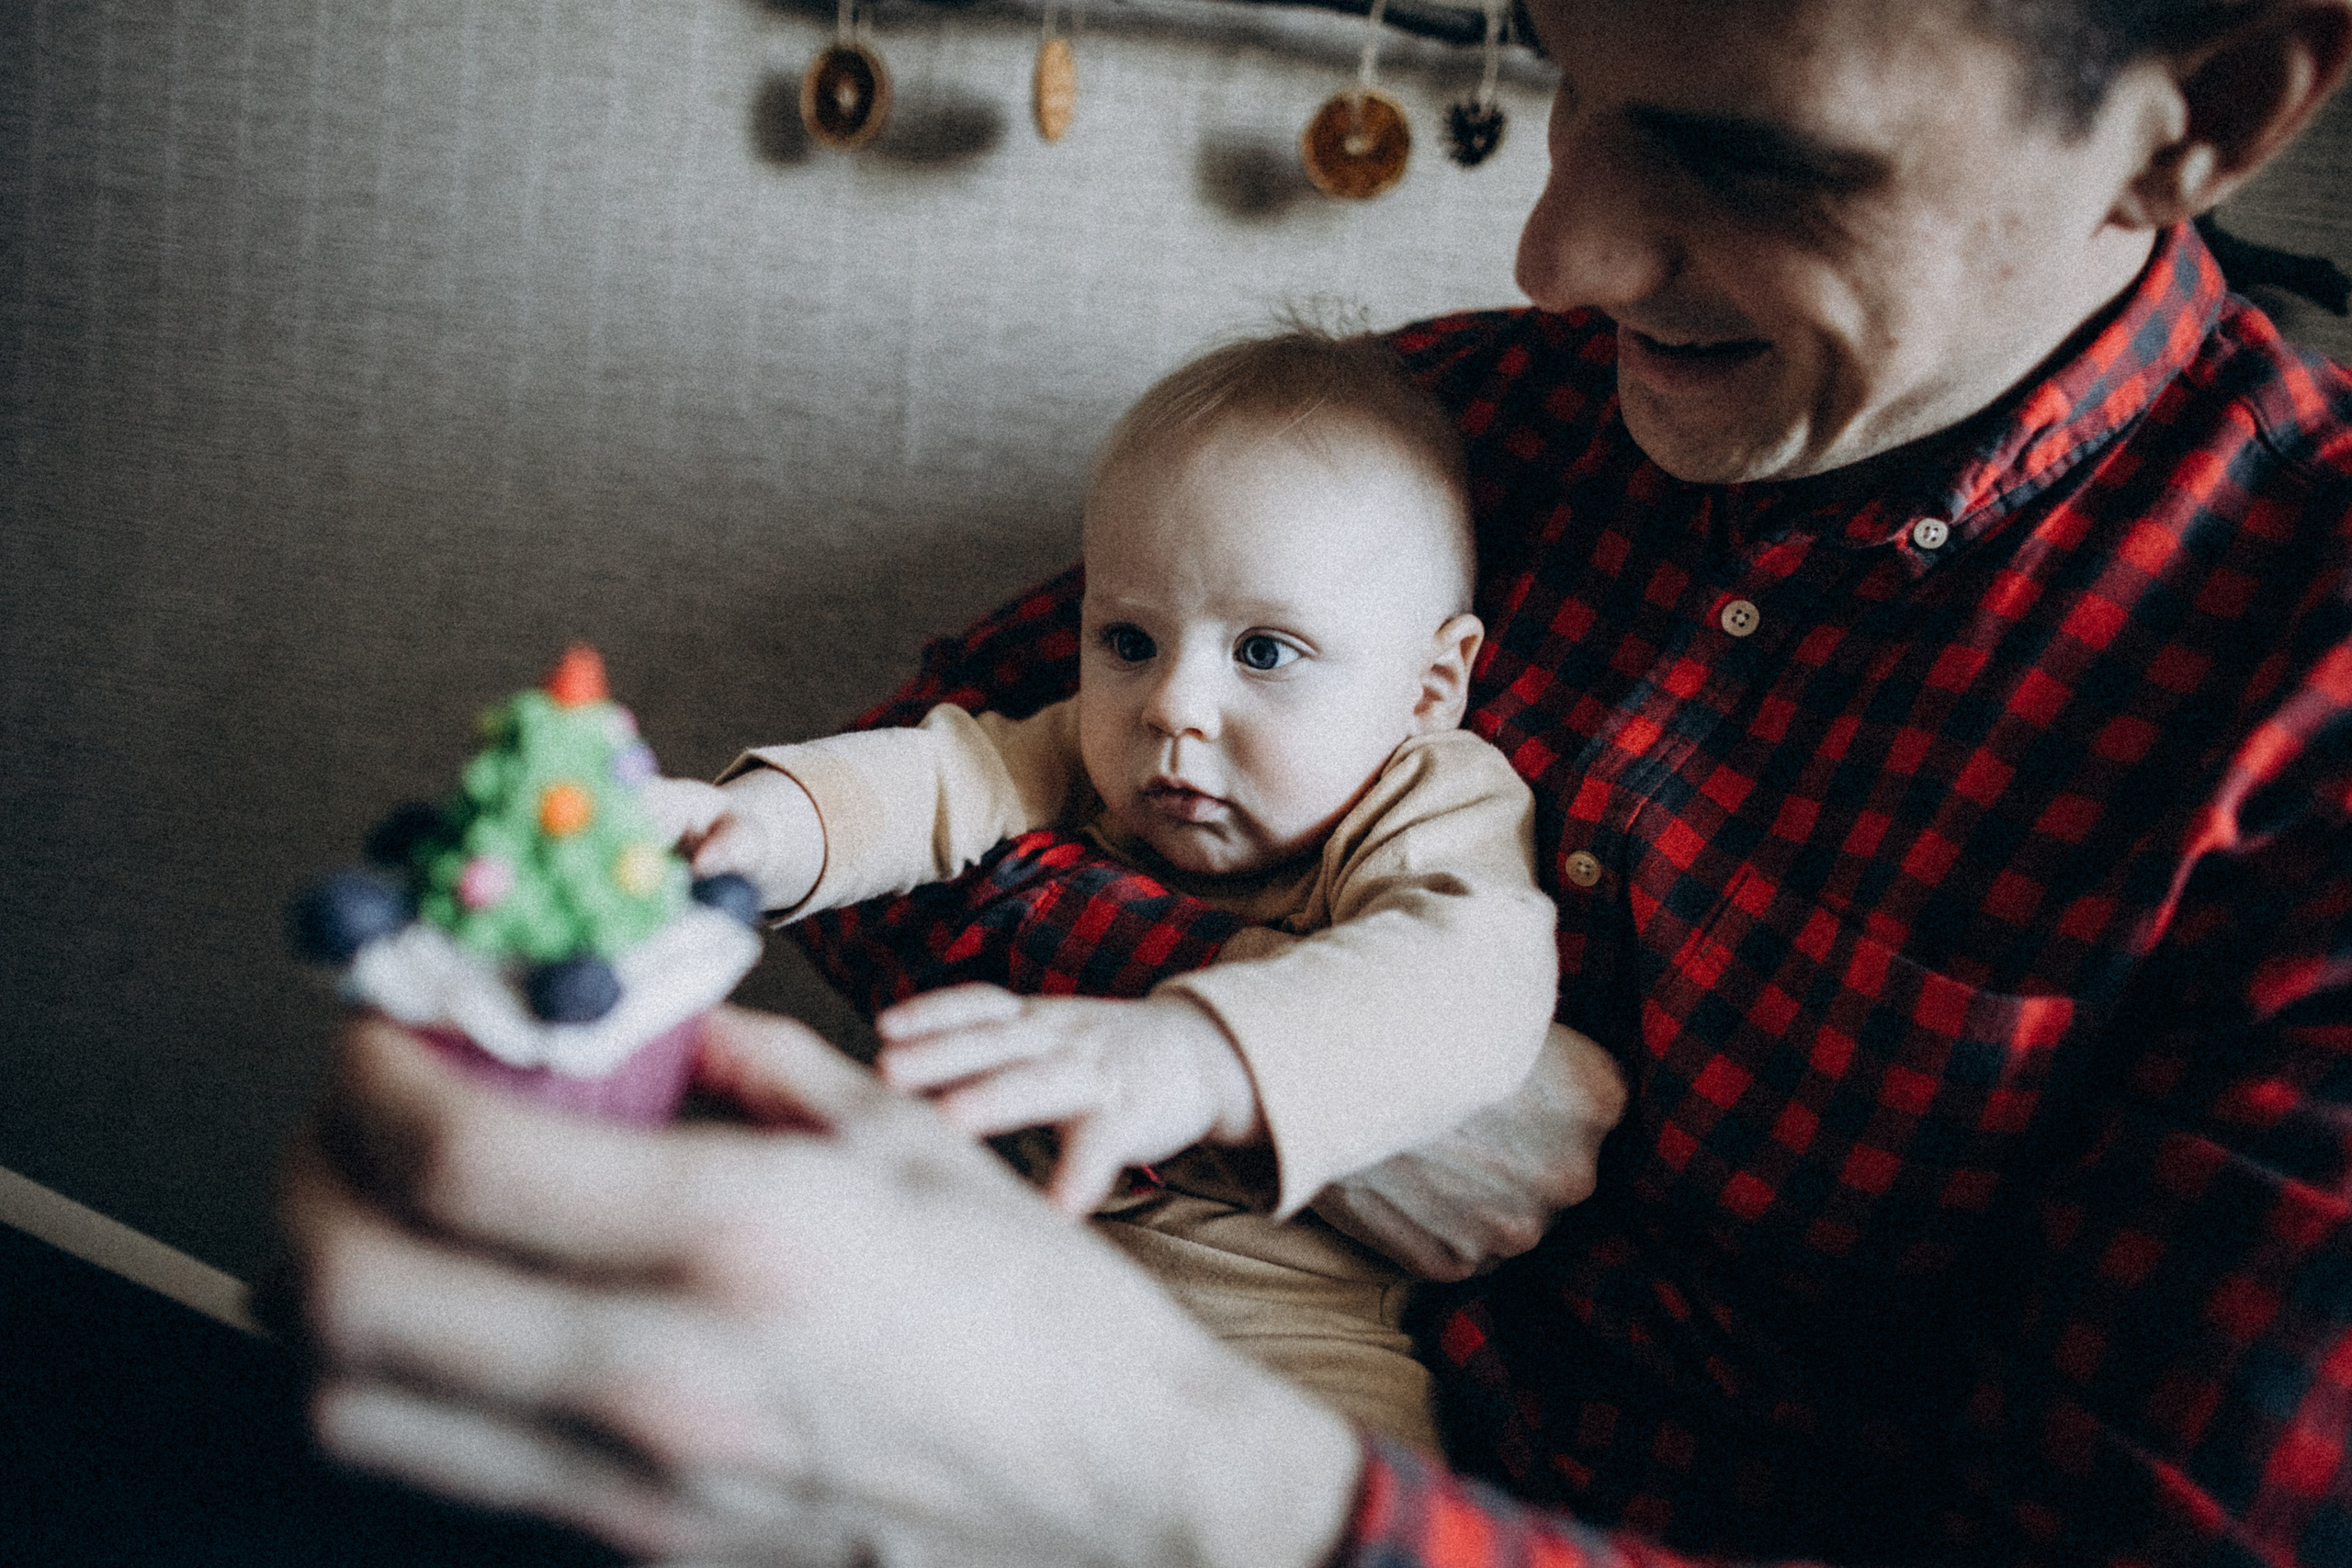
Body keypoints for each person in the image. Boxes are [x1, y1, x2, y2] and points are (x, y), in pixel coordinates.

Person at [276, 0, 2352, 1563]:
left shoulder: (2303, 710)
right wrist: (1311, 1068)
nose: (1556, 253)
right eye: (1564, 78)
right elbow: (949, 791)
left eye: (1754, 156)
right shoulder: (1443, 430)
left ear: (2208, 119)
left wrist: (1215, 1181)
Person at [644, 329, 1577, 1449]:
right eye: (1129, 639)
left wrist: (1195, 1055)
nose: (1171, 706)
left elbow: (1464, 980)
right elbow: (936, 777)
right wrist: (755, 825)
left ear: (1429, 685)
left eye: (1266, 654)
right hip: (994, 1268)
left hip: (1284, 1345)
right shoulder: (1084, 765)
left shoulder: (1428, 798)